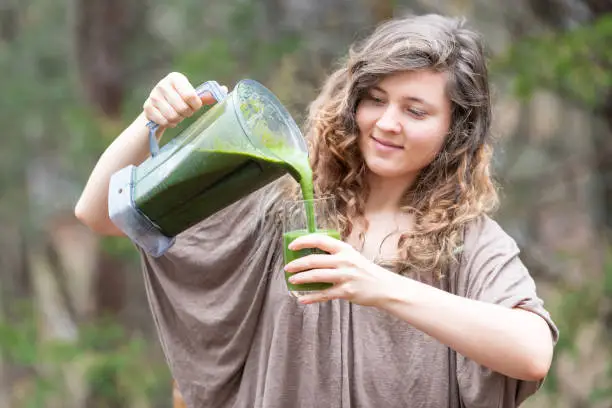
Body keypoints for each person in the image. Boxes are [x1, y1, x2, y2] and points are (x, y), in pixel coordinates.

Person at [75, 13, 558, 408]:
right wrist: (149, 121)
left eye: (416, 111)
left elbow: (533, 352)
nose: (387, 123)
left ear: (456, 130)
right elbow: (98, 213)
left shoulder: (467, 241)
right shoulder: (276, 201)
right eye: (375, 99)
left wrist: (379, 286)